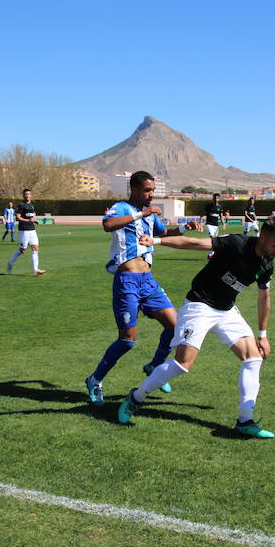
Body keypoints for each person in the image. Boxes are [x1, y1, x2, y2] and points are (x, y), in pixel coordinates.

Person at [117, 215, 275, 439]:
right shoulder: (237, 244)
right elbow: (195, 243)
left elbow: (264, 298)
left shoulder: (266, 264)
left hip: (226, 310)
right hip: (199, 305)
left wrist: (263, 335)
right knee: (182, 364)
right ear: (262, 236)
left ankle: (244, 420)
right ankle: (135, 398)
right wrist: (156, 241)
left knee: (253, 358)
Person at [85, 171, 196, 406]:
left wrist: (186, 228)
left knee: (175, 327)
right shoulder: (122, 208)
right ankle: (95, 380)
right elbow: (107, 224)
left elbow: (164, 234)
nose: (151, 194)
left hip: (148, 281)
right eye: (147, 190)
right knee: (127, 340)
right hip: (127, 282)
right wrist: (141, 214)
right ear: (134, 189)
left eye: (153, 190)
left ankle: (155, 366)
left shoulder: (148, 214)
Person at [6, 189, 46, 276]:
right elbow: (18, 217)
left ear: (31, 195)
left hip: (32, 230)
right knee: (22, 250)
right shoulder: (21, 205)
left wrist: (34, 220)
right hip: (24, 230)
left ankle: (36, 270)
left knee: (35, 248)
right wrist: (28, 220)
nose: (27, 196)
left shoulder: (31, 205)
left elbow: (32, 215)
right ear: (23, 196)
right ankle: (10, 263)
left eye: (28, 194)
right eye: (25, 194)